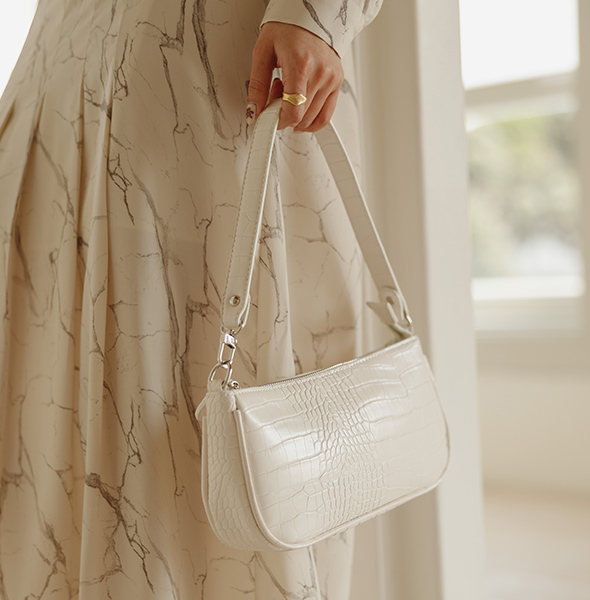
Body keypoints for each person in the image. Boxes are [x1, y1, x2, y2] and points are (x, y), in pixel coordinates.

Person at [0, 1, 383, 598]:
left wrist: (317, 12)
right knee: (52, 451)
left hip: (211, 62)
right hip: (60, 67)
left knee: (217, 464)